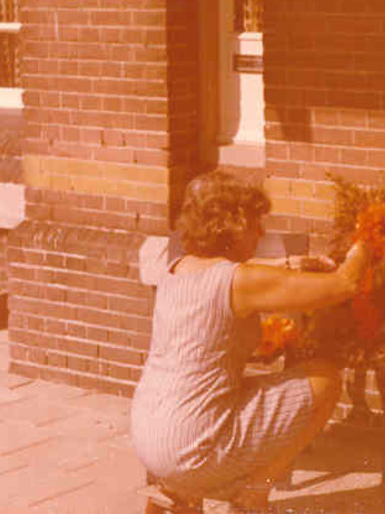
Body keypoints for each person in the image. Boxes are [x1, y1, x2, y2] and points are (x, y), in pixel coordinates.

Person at [130, 170, 371, 513]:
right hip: (189, 444)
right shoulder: (237, 282)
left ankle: (179, 493)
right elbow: (343, 285)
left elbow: (231, 273)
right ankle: (254, 491)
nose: (261, 232)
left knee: (228, 396)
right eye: (256, 223)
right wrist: (368, 238)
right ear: (234, 224)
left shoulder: (177, 268)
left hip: (148, 432)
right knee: (325, 379)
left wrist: (288, 264)